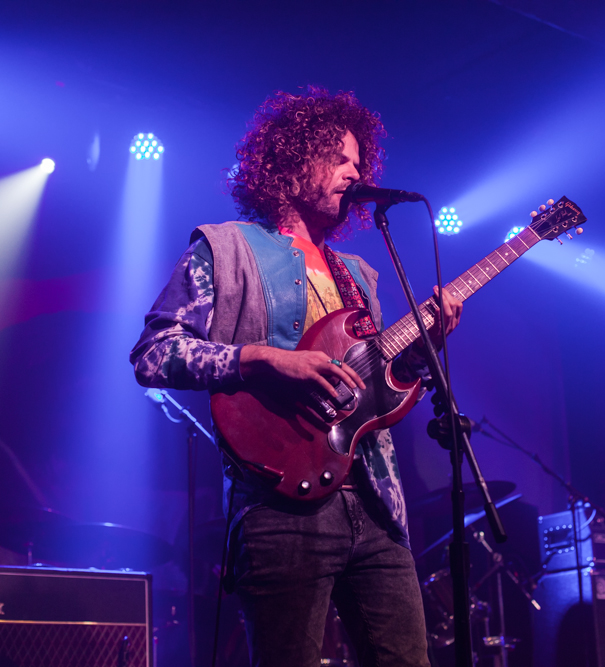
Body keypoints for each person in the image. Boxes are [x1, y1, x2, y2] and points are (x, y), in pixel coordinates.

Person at [130, 87, 462, 667]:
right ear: (290, 162)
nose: (355, 172)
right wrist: (260, 359)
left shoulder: (359, 273)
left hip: (377, 506)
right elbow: (154, 354)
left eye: (359, 162)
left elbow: (378, 391)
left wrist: (421, 353)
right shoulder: (224, 248)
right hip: (278, 506)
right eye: (339, 158)